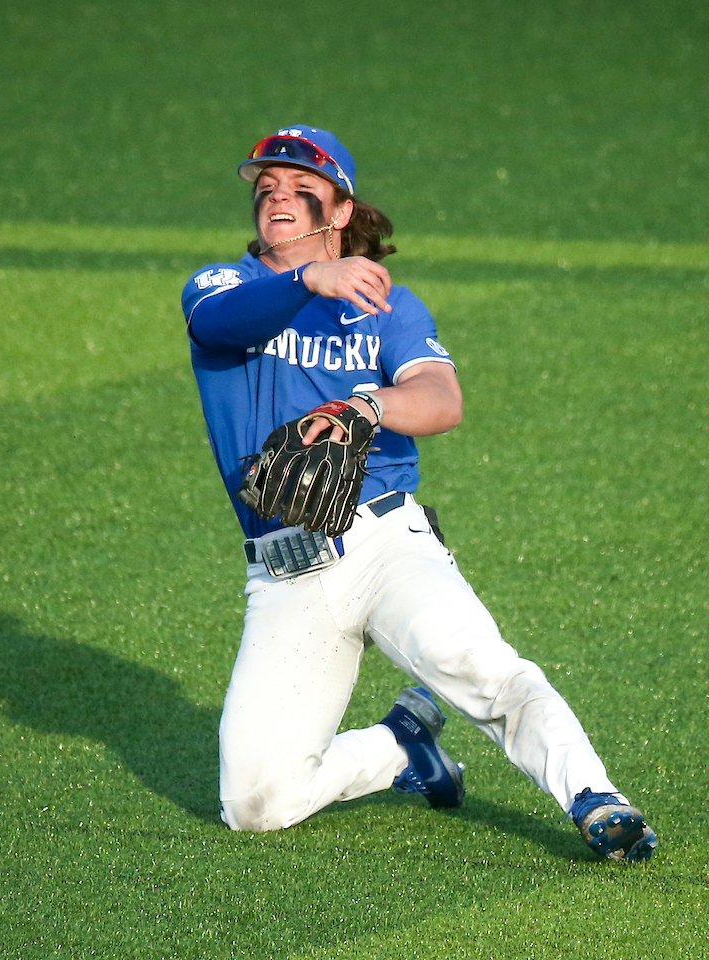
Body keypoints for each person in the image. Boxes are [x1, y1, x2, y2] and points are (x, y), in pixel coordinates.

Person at [180, 124, 658, 862]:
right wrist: (310, 279)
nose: (276, 193)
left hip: (383, 541)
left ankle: (596, 798)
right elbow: (215, 323)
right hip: (284, 569)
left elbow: (440, 397)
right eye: (266, 185)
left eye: (299, 185)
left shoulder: (387, 304)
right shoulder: (223, 286)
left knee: (478, 665)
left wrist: (366, 408)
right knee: (256, 805)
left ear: (338, 210)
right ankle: (400, 748)